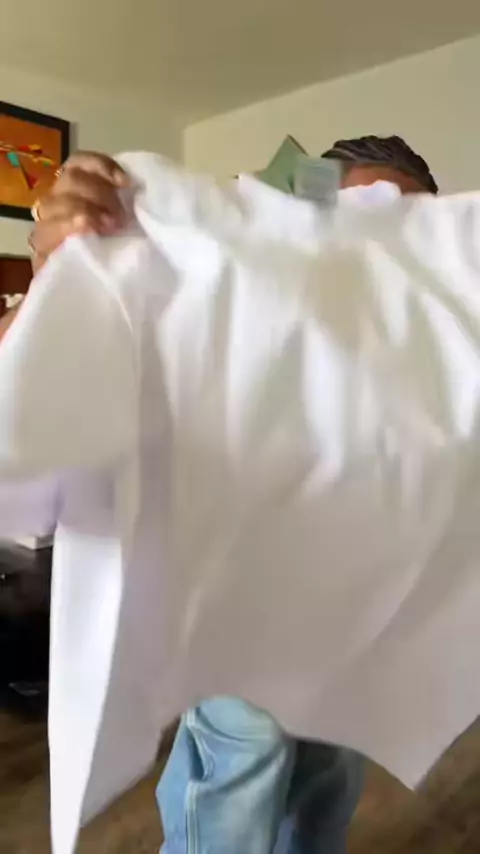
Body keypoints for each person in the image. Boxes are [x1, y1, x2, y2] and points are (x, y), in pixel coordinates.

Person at [2, 135, 438, 854]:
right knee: (243, 758)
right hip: (245, 590)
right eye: (352, 213)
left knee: (329, 774)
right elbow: (38, 399)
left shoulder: (441, 348)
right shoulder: (237, 310)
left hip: (369, 608)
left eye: (400, 223)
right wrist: (69, 278)